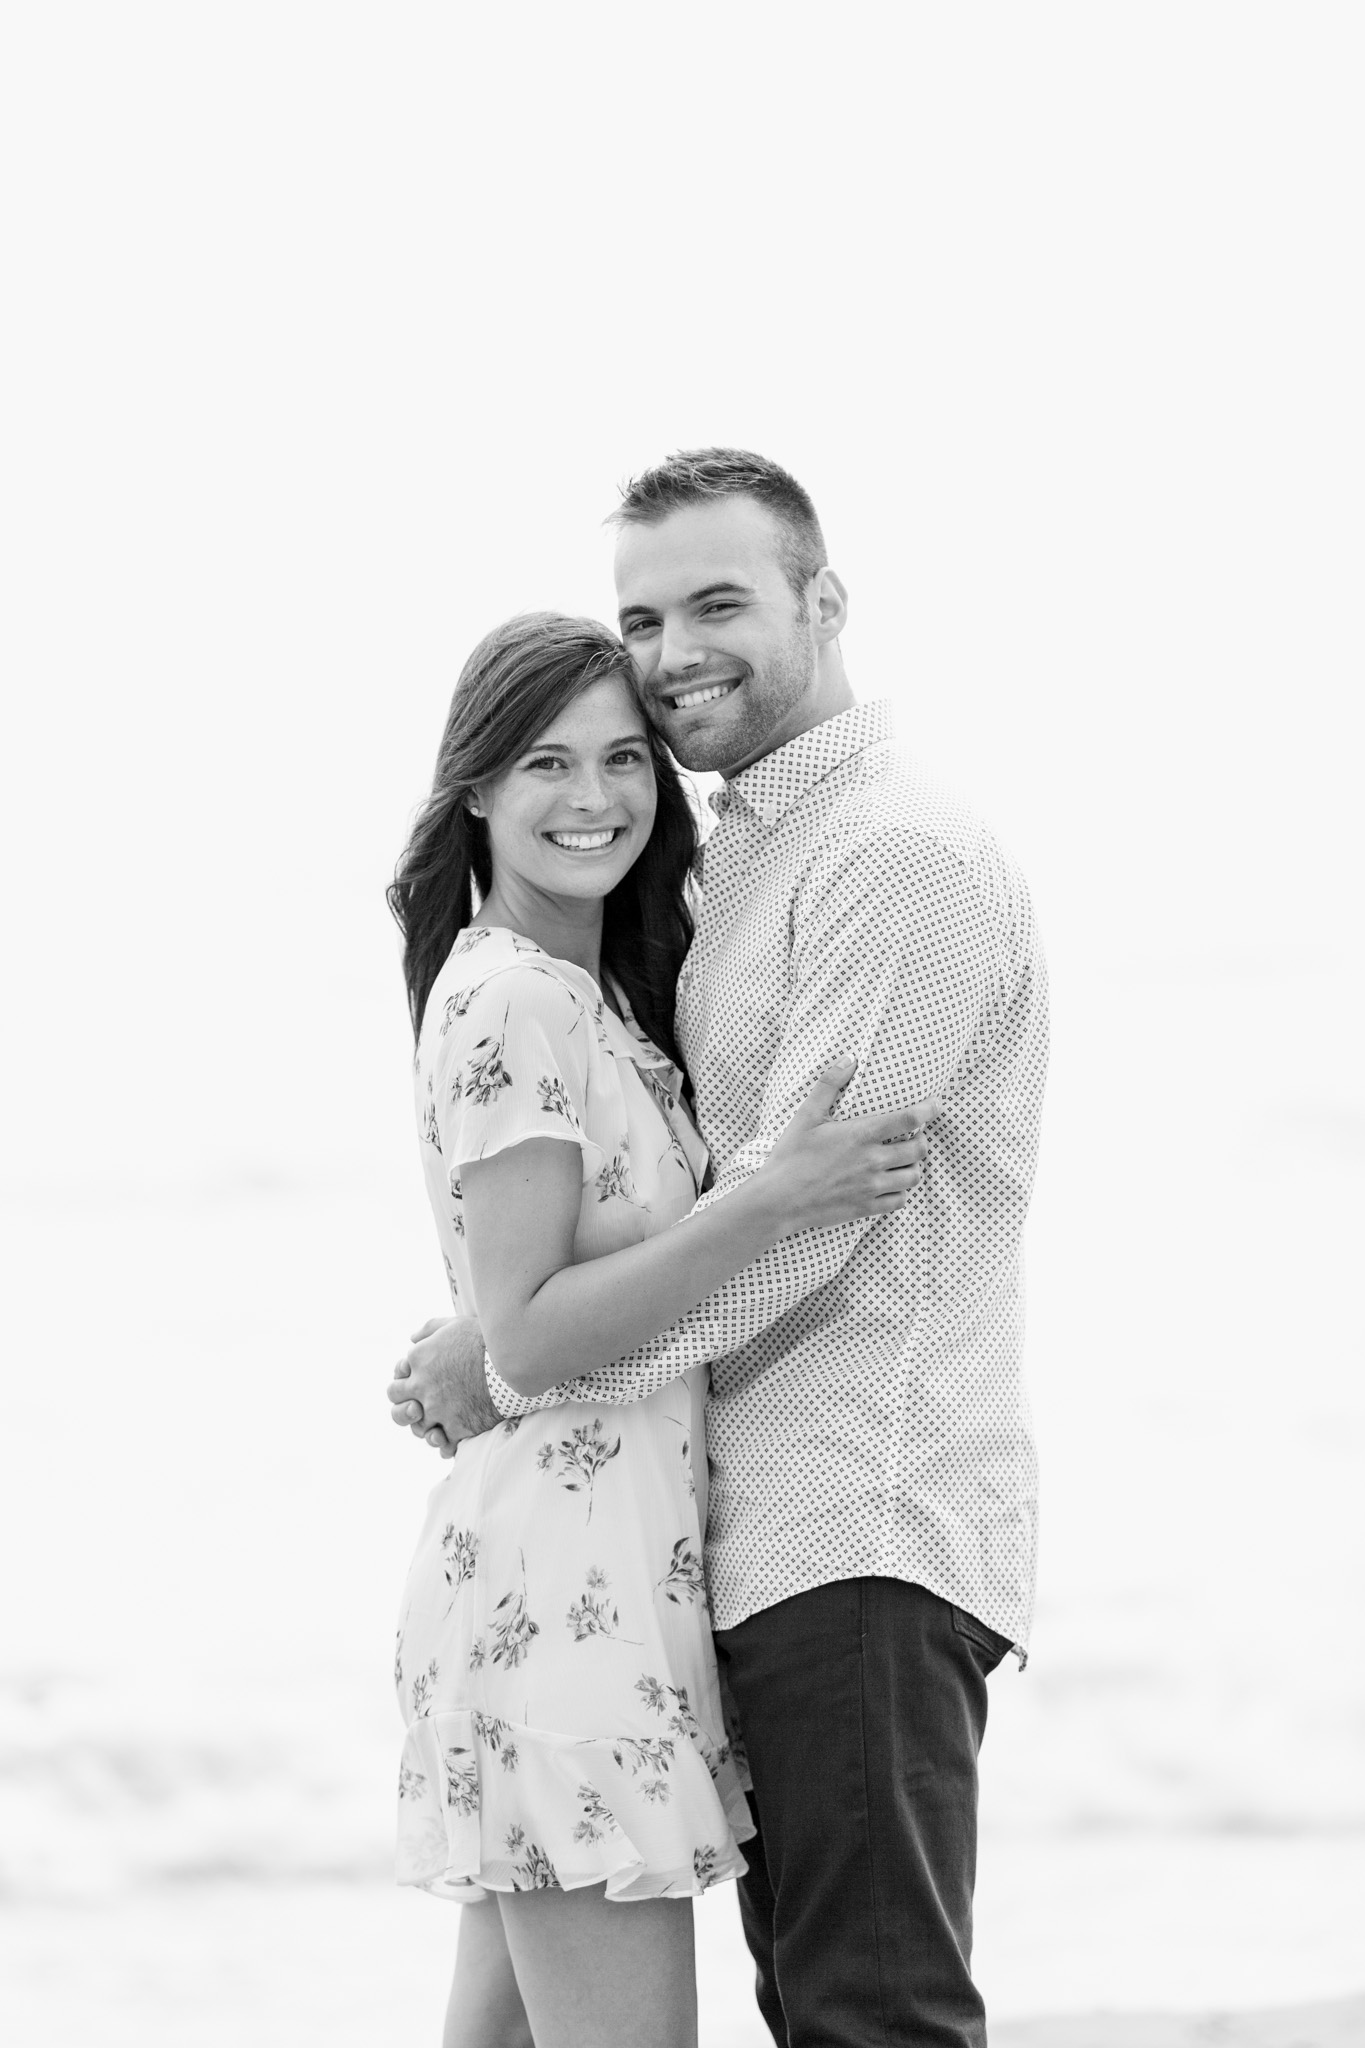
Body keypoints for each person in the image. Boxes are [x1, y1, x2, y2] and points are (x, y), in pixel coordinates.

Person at [391, 449, 1049, 2048]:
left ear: (824, 601)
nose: (677, 647)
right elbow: (684, 1205)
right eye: (645, 614)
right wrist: (511, 1329)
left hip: (854, 1519)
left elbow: (803, 1237)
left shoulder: (890, 858)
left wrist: (505, 1351)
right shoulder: (720, 882)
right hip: (680, 1559)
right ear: (477, 786)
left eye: (718, 602)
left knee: (865, 2018)